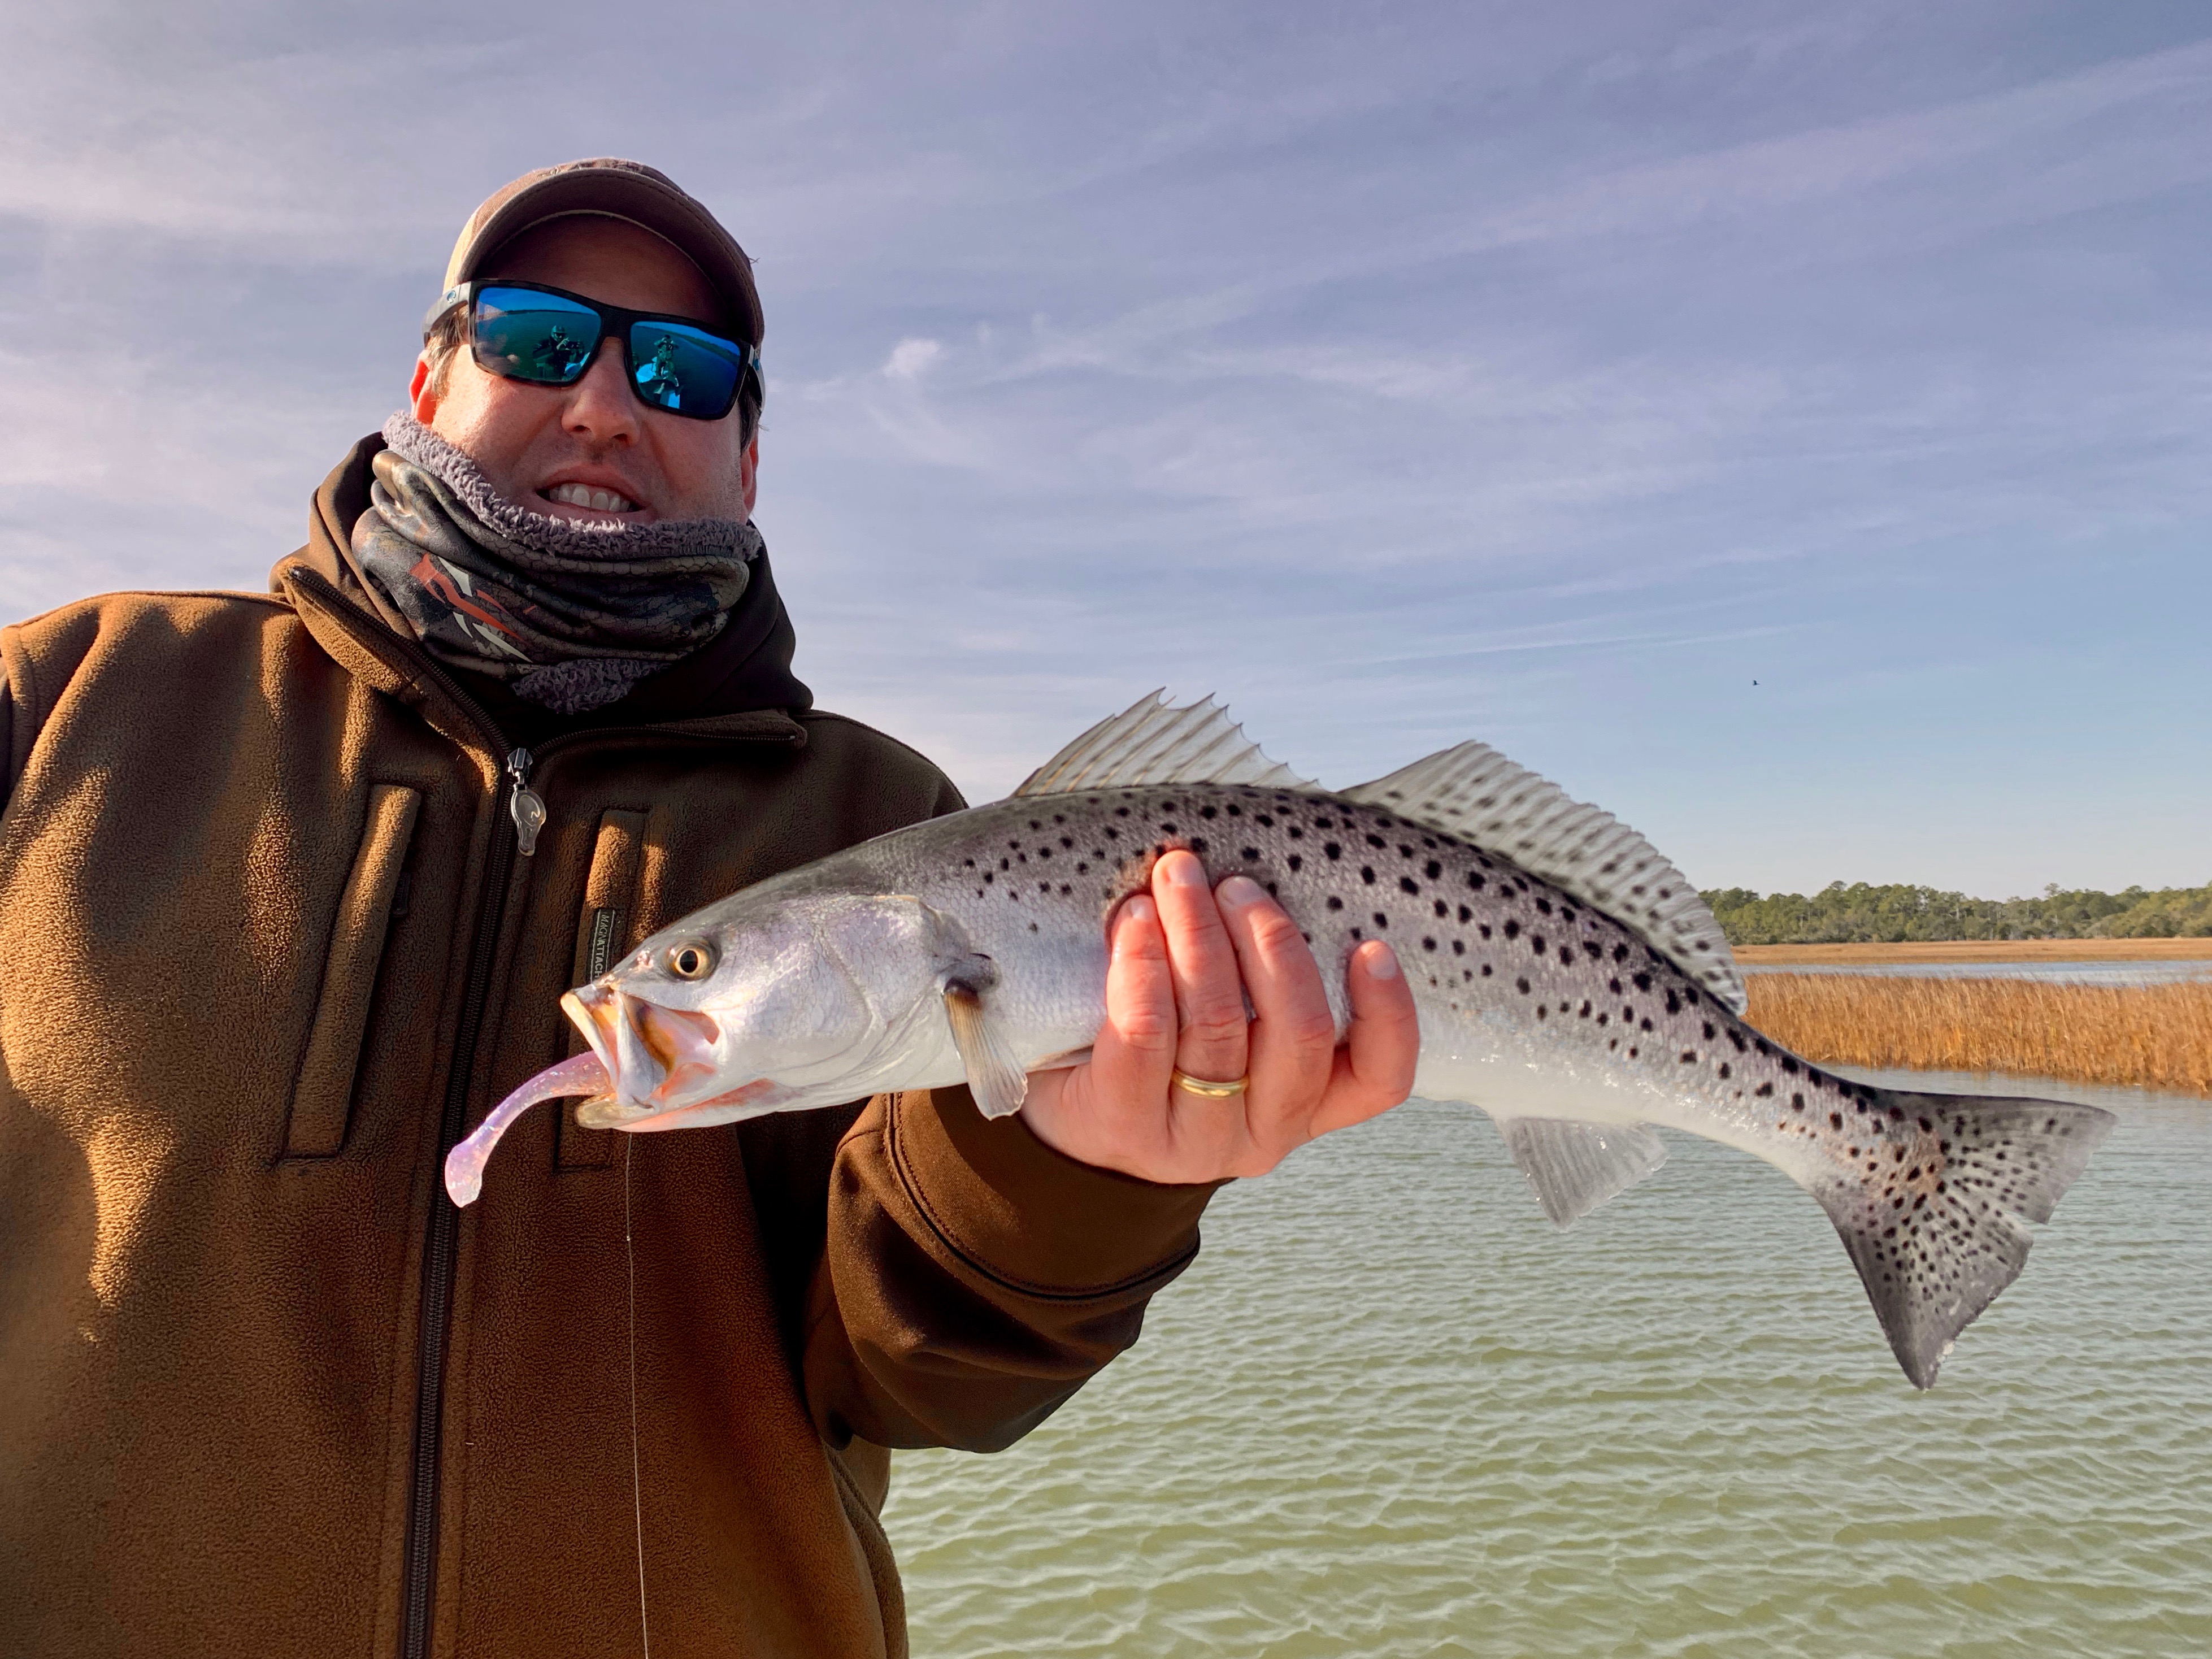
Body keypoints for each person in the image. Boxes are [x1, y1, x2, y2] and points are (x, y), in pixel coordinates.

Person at [0, 158, 1419, 1658]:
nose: (606, 406)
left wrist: (1090, 1176)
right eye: (540, 339)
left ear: (745, 462)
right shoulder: (67, 699)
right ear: (428, 375)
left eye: (682, 372)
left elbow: (921, 1387)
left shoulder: (887, 821)